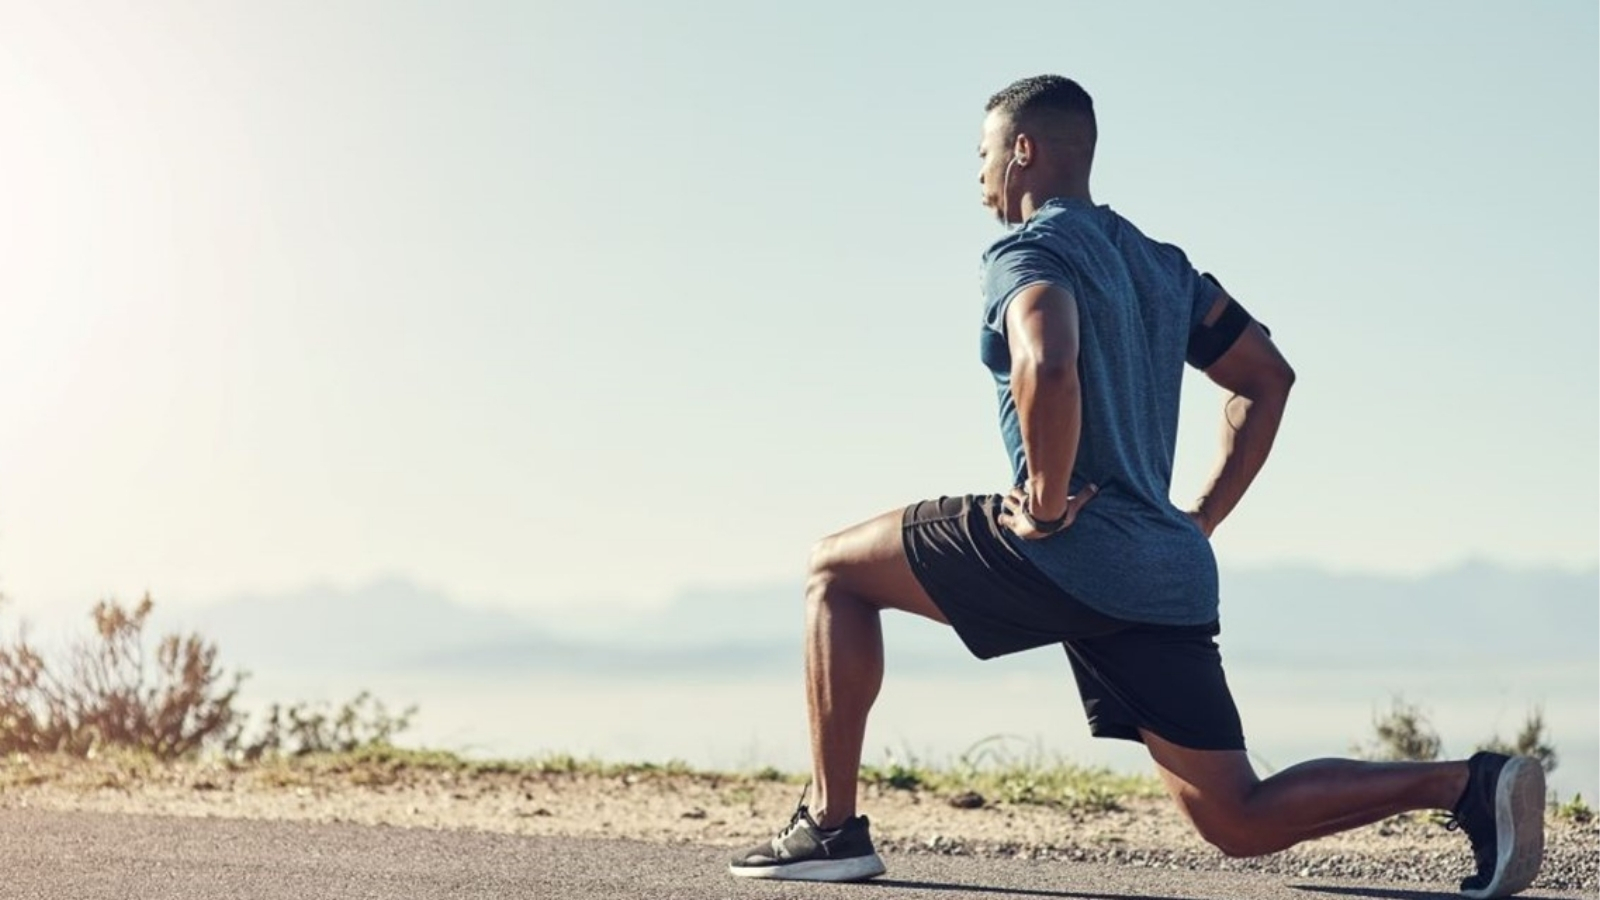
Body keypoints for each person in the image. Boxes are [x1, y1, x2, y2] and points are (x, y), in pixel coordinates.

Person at [725, 75, 1545, 899]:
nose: (977, 182)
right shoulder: (1162, 266)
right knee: (1238, 818)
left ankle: (830, 828)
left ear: (1023, 151)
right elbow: (1268, 378)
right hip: (1161, 569)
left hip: (1060, 547)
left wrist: (1045, 503)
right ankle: (1468, 786)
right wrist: (1199, 521)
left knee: (834, 571)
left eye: (980, 157)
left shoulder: (1029, 250)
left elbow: (1047, 358)